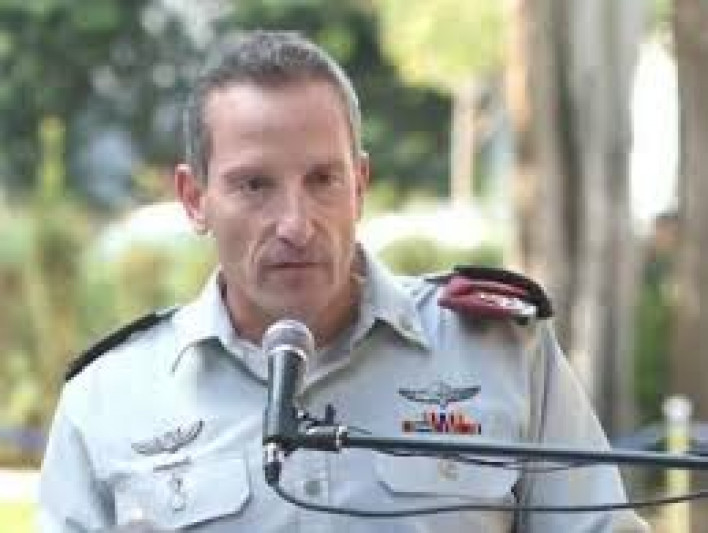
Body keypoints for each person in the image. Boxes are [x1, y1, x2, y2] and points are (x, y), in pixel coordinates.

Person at [38, 30, 647, 532]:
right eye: (255, 185)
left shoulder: (500, 353)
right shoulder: (109, 399)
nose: (296, 225)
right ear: (194, 199)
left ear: (359, 185)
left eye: (322, 180)